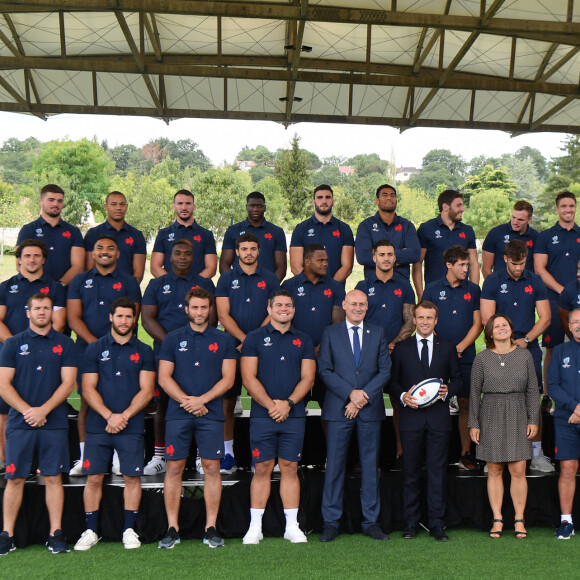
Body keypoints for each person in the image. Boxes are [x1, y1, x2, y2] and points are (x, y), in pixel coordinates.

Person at [157, 288, 237, 549]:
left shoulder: (223, 340)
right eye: (195, 307)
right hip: (179, 413)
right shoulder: (172, 339)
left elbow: (229, 379)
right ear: (186, 309)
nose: (200, 312)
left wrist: (202, 400)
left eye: (204, 308)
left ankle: (210, 528)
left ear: (210, 309)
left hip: (210, 414)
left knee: (213, 468)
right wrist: (187, 401)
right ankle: (172, 528)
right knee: (174, 468)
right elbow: (164, 377)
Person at [74, 298, 155, 551]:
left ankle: (129, 530)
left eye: (129, 317)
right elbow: (87, 389)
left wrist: (124, 416)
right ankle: (90, 530)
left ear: (135, 319)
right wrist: (109, 416)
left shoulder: (144, 351)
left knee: (132, 477)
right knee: (94, 478)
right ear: (111, 317)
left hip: (130, 426)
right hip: (99, 426)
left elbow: (147, 390)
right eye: (119, 316)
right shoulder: (94, 349)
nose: (124, 321)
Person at [0, 293, 76, 556]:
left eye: (47, 308)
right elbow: (3, 383)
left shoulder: (65, 344)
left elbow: (68, 383)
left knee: (53, 478)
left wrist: (43, 410)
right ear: (28, 312)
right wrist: (27, 411)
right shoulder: (12, 344)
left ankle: (56, 534)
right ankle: (6, 534)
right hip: (21, 424)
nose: (42, 312)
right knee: (15, 478)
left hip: (53, 423)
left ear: (52, 313)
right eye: (38, 308)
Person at [240, 290, 316, 544]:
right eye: (279, 305)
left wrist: (290, 403)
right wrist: (272, 405)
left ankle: (292, 527)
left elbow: (308, 378)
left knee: (290, 467)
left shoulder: (304, 339)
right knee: (261, 468)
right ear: (269, 309)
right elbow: (248, 377)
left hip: (293, 415)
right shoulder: (254, 338)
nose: (284, 308)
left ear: (294, 310)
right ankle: (255, 528)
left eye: (289, 305)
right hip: (264, 415)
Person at [317, 289, 391, 542]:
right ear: (344, 305)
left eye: (362, 304)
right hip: (339, 409)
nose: (358, 308)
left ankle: (371, 522)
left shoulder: (378, 332)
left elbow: (384, 371)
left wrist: (361, 398)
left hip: (369, 410)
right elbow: (324, 370)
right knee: (335, 466)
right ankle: (330, 522)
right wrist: (351, 394)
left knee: (370, 467)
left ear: (367, 307)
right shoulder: (330, 332)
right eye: (354, 304)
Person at [67, 235, 142, 476]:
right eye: (100, 248)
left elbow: (133, 317)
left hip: (123, 349)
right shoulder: (79, 280)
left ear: (118, 254)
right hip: (88, 350)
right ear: (93, 253)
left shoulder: (129, 282)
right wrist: (98, 346)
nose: (105, 252)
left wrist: (112, 345)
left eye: (111, 248)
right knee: (88, 402)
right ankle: (83, 457)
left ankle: (120, 457)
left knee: (123, 398)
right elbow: (73, 318)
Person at [141, 239, 216, 475]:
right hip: (166, 353)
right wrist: (172, 345)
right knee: (164, 404)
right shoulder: (156, 284)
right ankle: (160, 455)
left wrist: (194, 344)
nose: (183, 257)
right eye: (178, 253)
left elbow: (212, 318)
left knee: (201, 401)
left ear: (193, 259)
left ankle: (200, 456)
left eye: (187, 254)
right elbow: (148, 319)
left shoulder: (203, 284)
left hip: (201, 352)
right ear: (169, 258)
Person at [389, 301, 462, 541]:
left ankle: (437, 524)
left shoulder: (448, 347)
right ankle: (410, 524)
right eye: (420, 318)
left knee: (437, 473)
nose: (424, 322)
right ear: (414, 319)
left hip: (438, 421)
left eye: (429, 318)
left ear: (436, 320)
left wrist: (448, 389)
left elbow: (460, 380)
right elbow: (392, 382)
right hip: (410, 421)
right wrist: (402, 396)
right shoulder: (401, 348)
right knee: (410, 473)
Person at [481, 240, 552, 472]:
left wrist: (527, 340)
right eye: (514, 264)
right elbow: (487, 319)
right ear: (505, 259)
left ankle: (536, 452)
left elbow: (545, 317)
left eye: (522, 263)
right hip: (498, 345)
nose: (518, 268)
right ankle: (493, 454)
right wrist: (505, 342)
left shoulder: (535, 281)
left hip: (527, 344)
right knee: (495, 398)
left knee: (533, 398)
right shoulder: (492, 280)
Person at [469, 314, 539, 540]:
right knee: (495, 470)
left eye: (505, 325)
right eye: (496, 326)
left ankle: (519, 519)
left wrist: (533, 420)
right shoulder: (482, 359)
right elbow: (473, 394)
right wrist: (474, 423)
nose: (501, 328)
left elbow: (532, 391)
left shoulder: (524, 355)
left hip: (518, 413)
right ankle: (497, 519)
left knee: (518, 470)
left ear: (511, 329)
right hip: (490, 413)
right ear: (489, 332)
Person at [0, 239, 67, 473]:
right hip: (12, 356)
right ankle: (6, 460)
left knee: (44, 403)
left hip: (48, 355)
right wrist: (17, 347)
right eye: (27, 256)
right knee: (5, 408)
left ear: (43, 260)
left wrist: (39, 346)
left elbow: (58, 322)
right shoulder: (5, 287)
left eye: (37, 256)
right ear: (19, 259)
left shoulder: (55, 288)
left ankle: (41, 465)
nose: (32, 260)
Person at [215, 233, 280, 473]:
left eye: (253, 248)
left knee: (261, 401)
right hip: (232, 349)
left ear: (258, 251)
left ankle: (258, 455)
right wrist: (245, 340)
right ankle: (228, 454)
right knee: (227, 401)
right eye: (244, 249)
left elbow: (273, 312)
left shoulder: (271, 279)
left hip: (264, 349)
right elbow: (223, 315)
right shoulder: (226, 279)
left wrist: (252, 342)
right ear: (237, 251)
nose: (249, 253)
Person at [355, 239, 414, 463]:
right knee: (368, 406)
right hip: (368, 356)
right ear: (374, 258)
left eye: (390, 254)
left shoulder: (404, 286)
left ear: (395, 258)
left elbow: (410, 322)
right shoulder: (362, 286)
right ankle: (369, 458)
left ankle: (401, 454)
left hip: (398, 354)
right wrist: (378, 348)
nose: (386, 258)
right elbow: (357, 320)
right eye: (382, 254)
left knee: (401, 405)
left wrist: (392, 345)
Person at [423, 245, 482, 470]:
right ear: (449, 264)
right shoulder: (432, 289)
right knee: (435, 402)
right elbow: (426, 321)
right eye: (462, 265)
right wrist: (447, 350)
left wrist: (461, 347)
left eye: (467, 264)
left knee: (466, 403)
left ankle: (465, 454)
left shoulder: (474, 290)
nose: (466, 268)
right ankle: (434, 456)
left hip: (466, 357)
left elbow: (478, 324)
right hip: (438, 357)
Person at [282, 244, 345, 411]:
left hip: (326, 356)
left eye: (326, 260)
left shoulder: (336, 287)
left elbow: (337, 323)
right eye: (321, 260)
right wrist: (305, 349)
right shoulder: (289, 286)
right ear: (307, 261)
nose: (325, 264)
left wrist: (320, 348)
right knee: (295, 405)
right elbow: (284, 319)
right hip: (296, 355)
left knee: (329, 406)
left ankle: (329, 439)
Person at [534, 191, 580, 397]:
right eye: (564, 206)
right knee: (552, 348)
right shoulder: (545, 236)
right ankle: (547, 396)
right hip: (553, 300)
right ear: (557, 209)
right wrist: (562, 291)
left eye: (571, 206)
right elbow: (539, 269)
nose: (568, 210)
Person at [548, 308, 580, 540]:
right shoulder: (559, 352)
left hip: (574, 414)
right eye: (575, 322)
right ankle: (566, 521)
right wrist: (575, 407)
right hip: (566, 419)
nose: (579, 325)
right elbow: (553, 386)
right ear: (569, 326)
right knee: (568, 469)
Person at [413, 190, 479, 299]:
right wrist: (421, 295)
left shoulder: (468, 231)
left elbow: (473, 264)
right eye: (458, 205)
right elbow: (418, 263)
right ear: (445, 207)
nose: (462, 209)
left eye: (462, 205)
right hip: (434, 295)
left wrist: (474, 294)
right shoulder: (426, 228)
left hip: (462, 294)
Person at [17, 184, 85, 286]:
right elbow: (20, 263)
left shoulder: (73, 232)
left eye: (59, 201)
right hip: (34, 293)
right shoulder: (28, 230)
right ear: (41, 202)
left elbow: (78, 266)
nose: (55, 204)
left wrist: (58, 286)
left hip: (64, 291)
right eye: (51, 200)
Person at [290, 185, 354, 283]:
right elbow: (295, 266)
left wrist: (331, 287)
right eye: (320, 197)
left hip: (335, 292)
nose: (324, 201)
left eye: (328, 197)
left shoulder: (344, 229)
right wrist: (312, 285)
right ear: (313, 202)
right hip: (308, 291)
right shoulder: (301, 229)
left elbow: (347, 266)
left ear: (333, 202)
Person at [355, 184, 420, 280]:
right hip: (373, 284)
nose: (389, 198)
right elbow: (363, 257)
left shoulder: (407, 226)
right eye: (384, 195)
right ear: (377, 201)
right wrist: (401, 255)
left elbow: (414, 255)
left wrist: (378, 254)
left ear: (396, 201)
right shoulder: (366, 226)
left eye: (392, 195)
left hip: (402, 284)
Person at [220, 191, 287, 281]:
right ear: (246, 207)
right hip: (239, 286)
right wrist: (235, 285)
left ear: (265, 208)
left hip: (266, 286)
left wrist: (271, 286)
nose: (255, 209)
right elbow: (224, 264)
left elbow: (281, 267)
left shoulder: (277, 232)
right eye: (252, 206)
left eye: (259, 206)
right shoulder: (233, 230)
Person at [151, 189, 217, 279]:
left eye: (188, 203)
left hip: (197, 291)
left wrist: (194, 285)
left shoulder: (206, 235)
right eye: (180, 203)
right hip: (170, 290)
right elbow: (155, 267)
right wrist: (172, 284)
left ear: (194, 206)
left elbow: (211, 268)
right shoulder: (163, 234)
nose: (184, 207)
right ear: (174, 206)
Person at [84, 191, 147, 283]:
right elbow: (89, 269)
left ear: (126, 207)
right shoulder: (93, 234)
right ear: (106, 207)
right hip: (98, 291)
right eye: (114, 204)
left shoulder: (136, 235)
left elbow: (138, 273)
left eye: (122, 204)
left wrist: (128, 289)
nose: (118, 208)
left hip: (126, 292)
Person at [481, 200, 537, 278]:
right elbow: (486, 268)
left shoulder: (536, 237)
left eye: (520, 220)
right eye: (513, 217)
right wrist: (493, 286)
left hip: (527, 287)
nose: (515, 222)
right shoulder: (495, 233)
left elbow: (539, 269)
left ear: (529, 220)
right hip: (500, 287)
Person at [558, 258, 580, 339]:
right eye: (578, 268)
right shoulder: (569, 290)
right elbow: (563, 318)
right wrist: (575, 339)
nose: (578, 273)